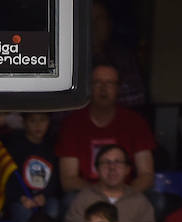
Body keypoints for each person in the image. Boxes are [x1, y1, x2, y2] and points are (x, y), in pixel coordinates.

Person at [57, 64, 155, 195]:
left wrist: (121, 195)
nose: (103, 89)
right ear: (89, 87)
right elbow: (68, 180)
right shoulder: (73, 123)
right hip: (87, 196)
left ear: (118, 88)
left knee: (157, 201)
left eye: (109, 83)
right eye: (97, 83)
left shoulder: (134, 122)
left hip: (126, 194)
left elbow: (147, 175)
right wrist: (103, 195)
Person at [61, 144, 155, 222]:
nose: (112, 168)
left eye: (118, 162)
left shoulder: (140, 202)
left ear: (127, 169)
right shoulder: (83, 199)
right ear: (97, 169)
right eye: (106, 163)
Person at [3, 112, 61, 222]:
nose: (38, 125)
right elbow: (8, 178)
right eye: (32, 121)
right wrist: (21, 197)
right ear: (24, 123)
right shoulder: (15, 146)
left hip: (46, 197)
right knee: (23, 214)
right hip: (21, 198)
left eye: (42, 120)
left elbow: (55, 179)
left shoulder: (52, 146)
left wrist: (45, 196)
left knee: (53, 210)